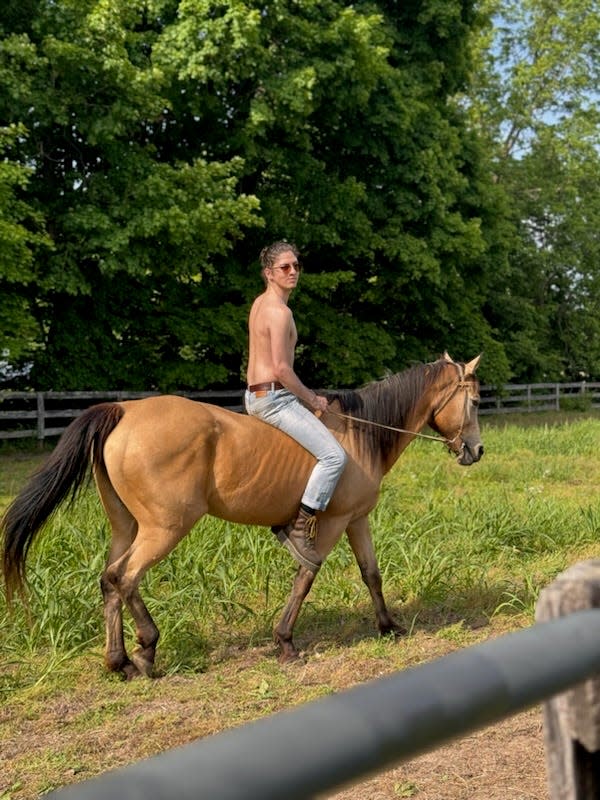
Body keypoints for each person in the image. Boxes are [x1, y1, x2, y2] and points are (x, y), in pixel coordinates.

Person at [245, 240, 348, 572]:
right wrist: (313, 399)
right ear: (268, 273)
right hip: (274, 399)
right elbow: (281, 369)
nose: (293, 272)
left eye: (296, 266)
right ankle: (299, 526)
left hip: (259, 395)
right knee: (335, 456)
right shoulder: (279, 311)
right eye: (284, 267)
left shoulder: (260, 303)